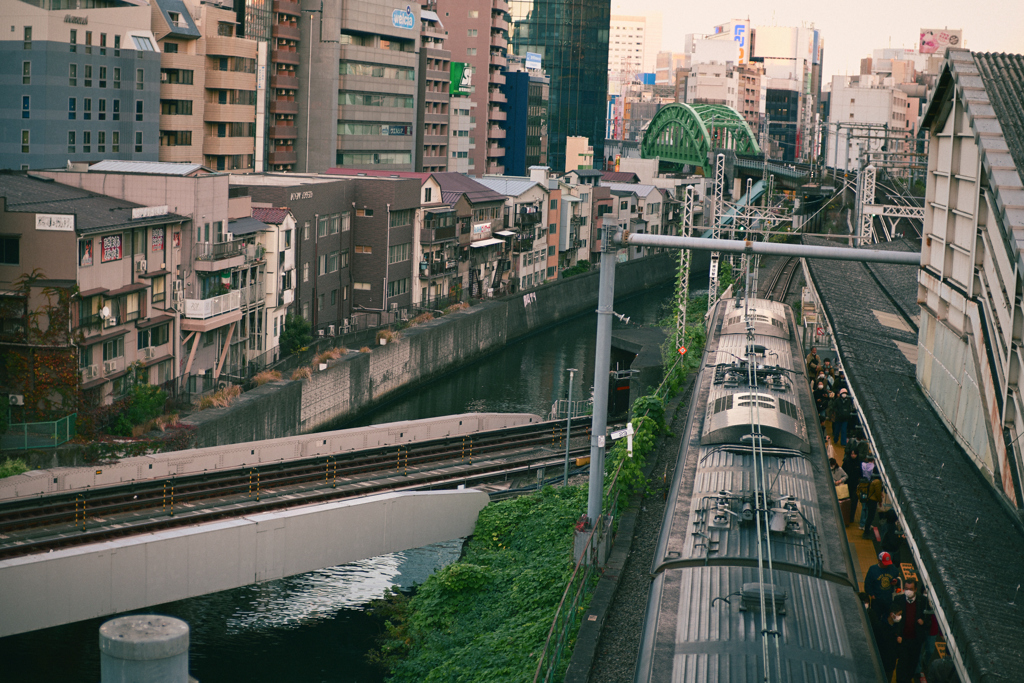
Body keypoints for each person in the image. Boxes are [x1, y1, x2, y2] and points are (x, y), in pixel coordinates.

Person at [892, 579, 930, 683]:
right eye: (906, 589)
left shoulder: (923, 601)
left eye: (910, 589)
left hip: (916, 640)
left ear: (916, 589)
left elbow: (929, 620)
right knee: (902, 663)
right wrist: (897, 634)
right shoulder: (898, 599)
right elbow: (894, 618)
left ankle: (908, 680)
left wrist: (924, 622)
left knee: (912, 664)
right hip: (903, 639)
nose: (908, 591)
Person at [872, 604, 904, 682]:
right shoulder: (879, 627)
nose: (900, 616)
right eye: (899, 614)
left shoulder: (898, 626)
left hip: (890, 662)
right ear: (892, 615)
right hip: (879, 661)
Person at [843, 446, 864, 524]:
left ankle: (851, 517)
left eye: (854, 454)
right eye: (852, 454)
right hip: (847, 485)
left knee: (854, 502)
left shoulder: (860, 463)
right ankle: (845, 516)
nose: (853, 455)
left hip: (855, 486)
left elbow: (861, 475)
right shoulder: (847, 461)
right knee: (846, 501)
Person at [860, 469, 884, 535]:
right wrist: (880, 501)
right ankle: (866, 532)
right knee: (870, 517)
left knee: (868, 516)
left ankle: (866, 530)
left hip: (869, 499)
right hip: (873, 501)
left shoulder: (872, 480)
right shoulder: (878, 482)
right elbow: (878, 493)